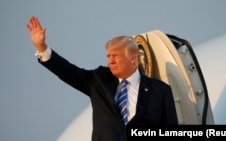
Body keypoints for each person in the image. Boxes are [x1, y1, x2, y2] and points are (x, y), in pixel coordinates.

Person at [26, 16, 178, 141]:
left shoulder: (160, 90)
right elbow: (68, 72)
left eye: (115, 56)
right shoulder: (99, 80)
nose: (110, 61)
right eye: (108, 56)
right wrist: (42, 48)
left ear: (133, 59)